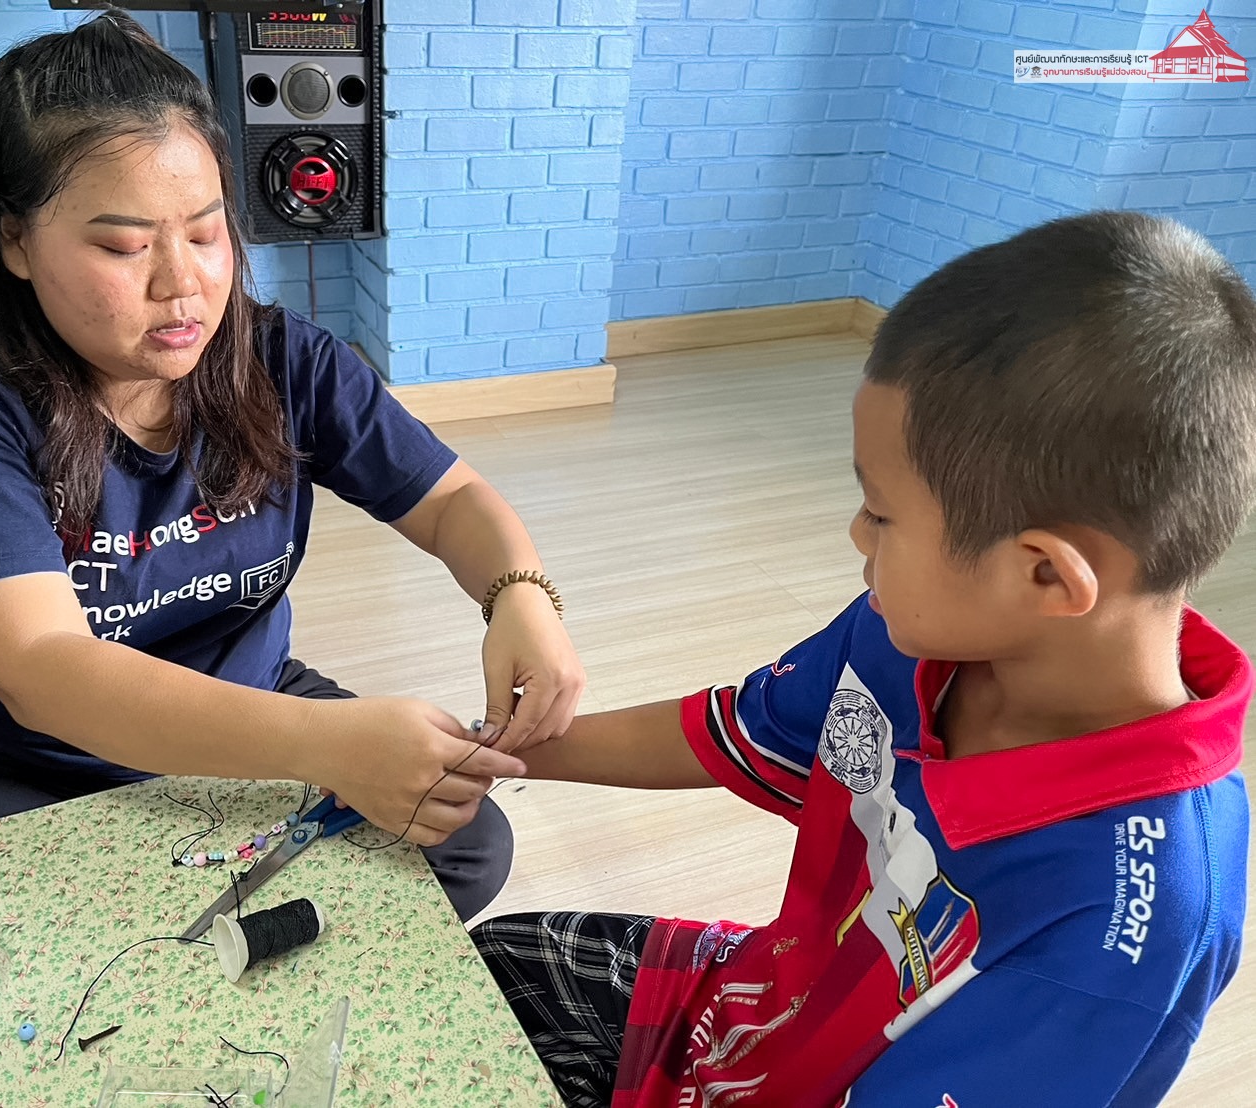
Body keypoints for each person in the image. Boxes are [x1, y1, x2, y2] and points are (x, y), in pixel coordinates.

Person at [0, 12, 585, 924]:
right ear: (14, 242)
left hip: (241, 717)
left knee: (464, 845)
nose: (182, 284)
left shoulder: (283, 360)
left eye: (205, 234)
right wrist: (327, 742)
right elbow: (41, 667)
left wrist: (520, 595)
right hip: (14, 756)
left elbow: (451, 500)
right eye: (122, 247)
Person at [472, 211, 1256, 1106]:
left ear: (1042, 572)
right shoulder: (913, 633)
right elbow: (741, 734)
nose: (856, 534)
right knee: (489, 971)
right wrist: (494, 752)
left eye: (879, 514)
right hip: (757, 1006)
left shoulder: (1132, 925)